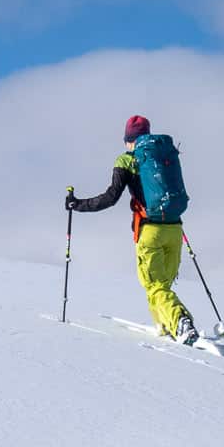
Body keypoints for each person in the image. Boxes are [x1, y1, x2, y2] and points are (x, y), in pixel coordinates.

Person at [68, 116, 198, 344]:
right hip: (175, 228)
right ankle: (164, 328)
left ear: (129, 140)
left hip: (150, 231)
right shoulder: (163, 154)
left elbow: (110, 198)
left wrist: (77, 204)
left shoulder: (127, 160)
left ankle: (180, 320)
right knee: (161, 286)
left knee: (155, 285)